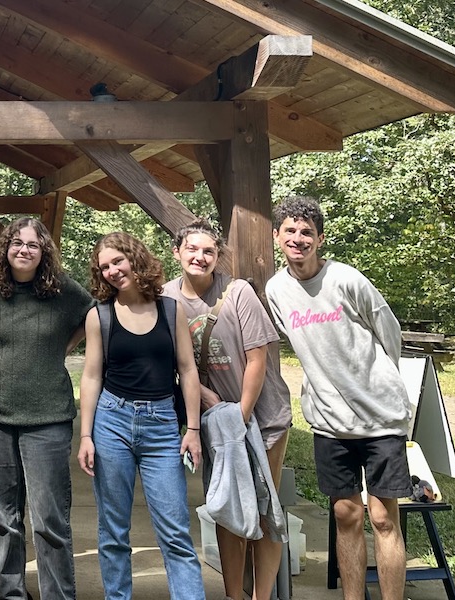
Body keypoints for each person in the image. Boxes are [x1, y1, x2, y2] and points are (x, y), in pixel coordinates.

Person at [264, 196, 412, 600]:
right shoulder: (276, 289)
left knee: (383, 518)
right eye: (290, 231)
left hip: (379, 416)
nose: (299, 239)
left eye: (307, 232)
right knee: (346, 513)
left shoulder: (347, 279)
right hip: (329, 420)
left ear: (320, 239)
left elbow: (389, 331)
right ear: (277, 236)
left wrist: (378, 379)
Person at [0, 217, 94, 600]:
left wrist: (63, 347)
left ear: (44, 251)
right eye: (16, 243)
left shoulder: (64, 291)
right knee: (3, 518)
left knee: (49, 518)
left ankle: (58, 595)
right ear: (5, 249)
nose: (24, 250)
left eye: (32, 245)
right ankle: (11, 593)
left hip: (48, 418)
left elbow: (94, 314)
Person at [163, 220, 293, 600]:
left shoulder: (238, 293)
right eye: (192, 249)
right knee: (226, 504)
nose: (200, 257)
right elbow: (171, 361)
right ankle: (234, 594)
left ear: (217, 257)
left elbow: (258, 360)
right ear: (177, 252)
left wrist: (242, 414)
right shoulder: (166, 298)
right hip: (213, 421)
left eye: (208, 251)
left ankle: (262, 595)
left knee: (265, 507)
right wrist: (203, 396)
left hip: (263, 417)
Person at [76, 232, 205, 600]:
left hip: (163, 426)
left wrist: (192, 428)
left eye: (118, 261)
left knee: (175, 530)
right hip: (111, 422)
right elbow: (91, 376)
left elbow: (188, 370)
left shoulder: (171, 309)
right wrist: (86, 436)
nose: (113, 271)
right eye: (105, 267)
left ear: (135, 257)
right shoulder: (98, 316)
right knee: (114, 532)